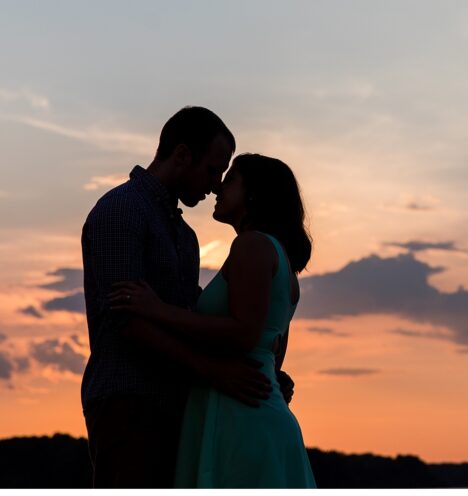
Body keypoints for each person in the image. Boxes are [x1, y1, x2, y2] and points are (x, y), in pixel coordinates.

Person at [80, 107, 294, 488]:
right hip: (129, 400)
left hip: (179, 407)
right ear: (181, 155)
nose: (215, 184)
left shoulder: (185, 236)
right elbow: (125, 320)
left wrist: (265, 371)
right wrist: (215, 372)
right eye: (213, 169)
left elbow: (192, 319)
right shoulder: (121, 211)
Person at [111, 153, 317, 488]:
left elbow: (244, 334)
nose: (219, 185)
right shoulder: (282, 262)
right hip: (250, 408)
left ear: (253, 194)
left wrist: (156, 309)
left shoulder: (252, 245)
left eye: (231, 178)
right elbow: (272, 354)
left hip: (240, 414)